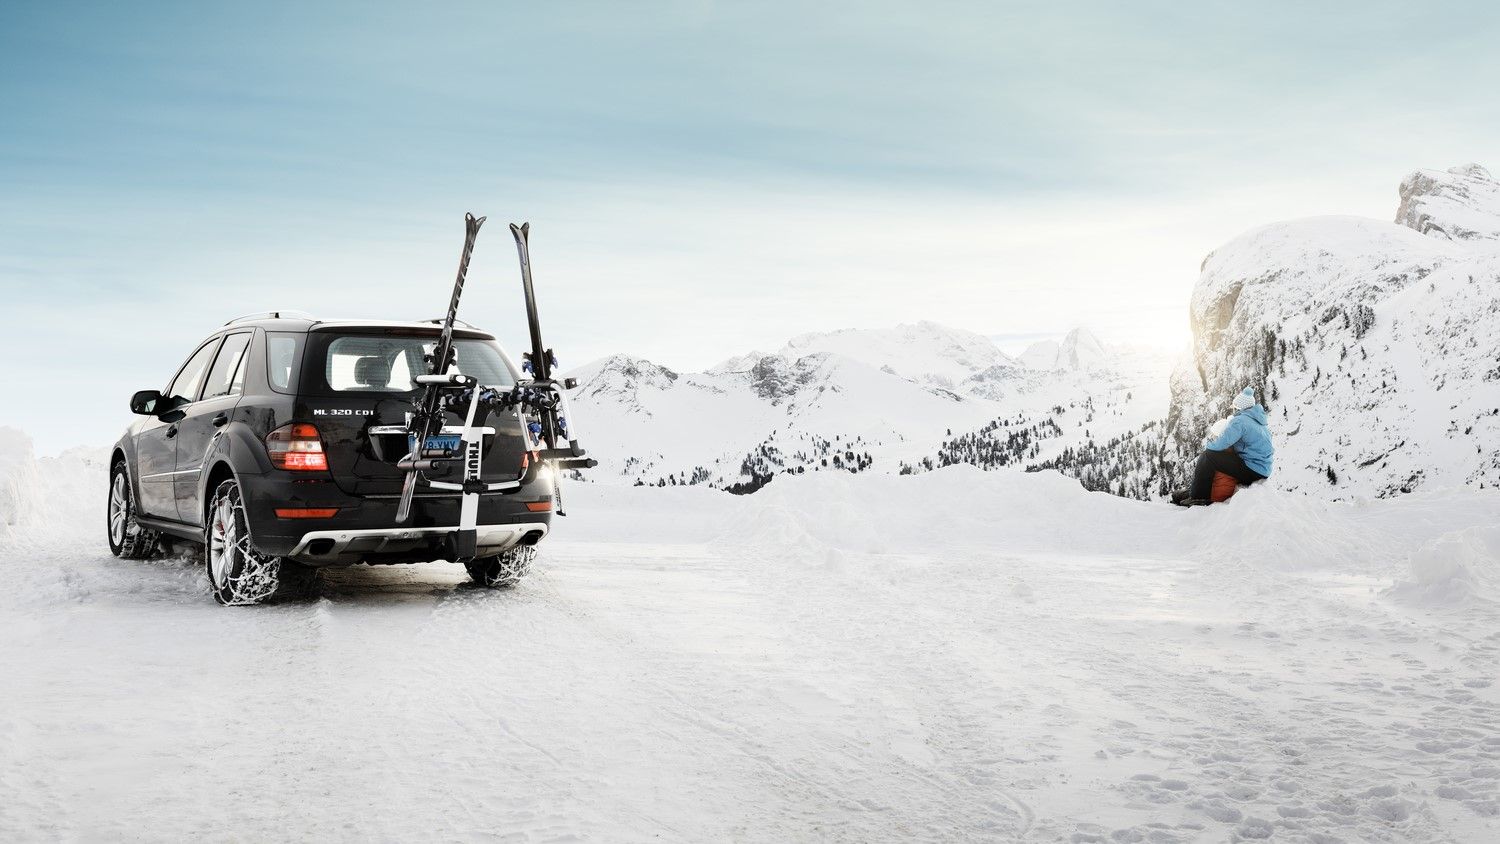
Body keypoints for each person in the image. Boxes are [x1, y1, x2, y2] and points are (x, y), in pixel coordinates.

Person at [1174, 387, 1273, 506]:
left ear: (1240, 407)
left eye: (1235, 406)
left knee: (1208, 456)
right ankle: (1194, 491)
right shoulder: (1260, 423)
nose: (1234, 409)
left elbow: (1223, 442)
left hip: (1252, 469)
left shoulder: (1240, 421)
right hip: (1263, 469)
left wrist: (1209, 446)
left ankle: (1199, 497)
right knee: (1215, 457)